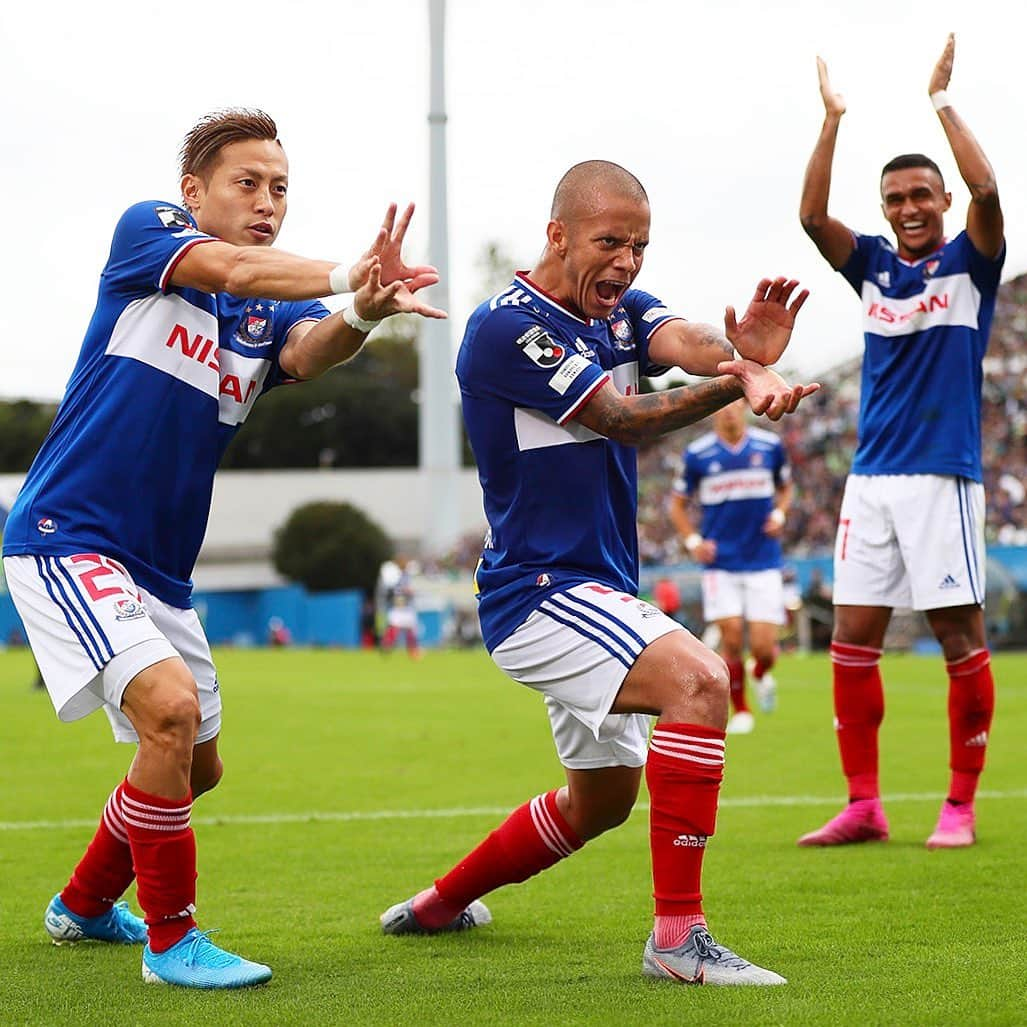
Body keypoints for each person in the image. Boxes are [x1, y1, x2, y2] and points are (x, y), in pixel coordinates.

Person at [2, 108, 444, 989]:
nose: (268, 202)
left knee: (196, 763)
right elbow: (236, 262)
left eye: (281, 187)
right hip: (68, 535)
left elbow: (313, 351)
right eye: (248, 183)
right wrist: (346, 269)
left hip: (160, 572)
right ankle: (173, 943)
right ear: (192, 192)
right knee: (165, 711)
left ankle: (85, 902)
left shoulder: (261, 308)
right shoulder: (148, 237)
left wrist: (360, 304)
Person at [380, 160, 818, 986]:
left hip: (596, 591)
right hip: (540, 590)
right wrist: (733, 380)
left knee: (603, 802)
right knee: (699, 681)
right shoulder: (507, 327)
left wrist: (734, 354)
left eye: (639, 245)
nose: (625, 262)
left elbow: (678, 338)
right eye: (608, 242)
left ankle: (440, 902)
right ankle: (676, 939)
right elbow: (620, 419)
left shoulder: (618, 312)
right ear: (557, 236)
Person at [797, 35, 1003, 850]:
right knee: (851, 641)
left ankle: (958, 803)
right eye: (895, 199)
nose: (909, 207)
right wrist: (831, 121)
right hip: (869, 480)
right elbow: (812, 218)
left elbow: (988, 185)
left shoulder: (972, 261)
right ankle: (863, 803)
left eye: (922, 195)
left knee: (958, 637)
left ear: (942, 200)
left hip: (941, 479)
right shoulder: (874, 267)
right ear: (883, 208)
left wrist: (942, 101)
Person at [669, 398, 792, 733]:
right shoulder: (698, 454)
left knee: (765, 648)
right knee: (732, 638)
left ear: (744, 407)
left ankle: (760, 672)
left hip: (763, 559)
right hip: (721, 563)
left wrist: (780, 514)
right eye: (721, 405)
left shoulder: (770, 446)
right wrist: (694, 542)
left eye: (734, 404)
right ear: (714, 410)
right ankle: (741, 710)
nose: (728, 410)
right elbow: (678, 505)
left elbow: (786, 488)